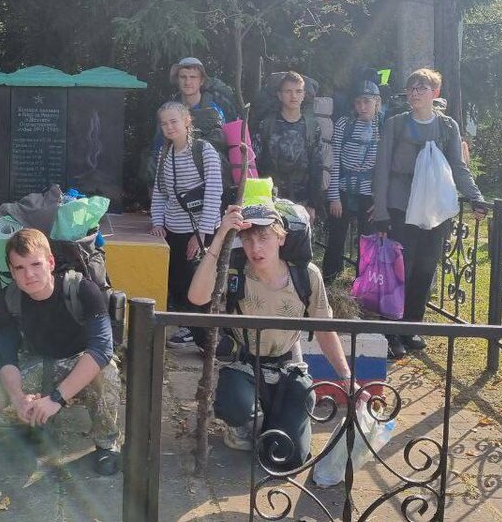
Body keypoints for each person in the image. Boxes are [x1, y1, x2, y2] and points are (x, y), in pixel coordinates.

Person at [188, 204, 357, 470]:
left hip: (286, 366)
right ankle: (243, 423)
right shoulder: (235, 271)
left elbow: (325, 329)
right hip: (244, 365)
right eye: (247, 239)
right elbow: (197, 297)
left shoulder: (305, 275)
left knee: (288, 457)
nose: (255, 248)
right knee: (234, 405)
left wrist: (346, 377)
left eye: (264, 237)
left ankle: (272, 422)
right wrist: (220, 237)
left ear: (281, 238)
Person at [371, 68, 486, 359]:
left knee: (425, 268)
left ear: (435, 93)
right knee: (401, 269)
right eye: (411, 88)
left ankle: (411, 327)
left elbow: (458, 166)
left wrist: (475, 196)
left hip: (435, 208)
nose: (415, 93)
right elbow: (382, 168)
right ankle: (391, 332)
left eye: (421, 88)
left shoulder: (447, 126)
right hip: (401, 206)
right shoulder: (396, 124)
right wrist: (381, 211)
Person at [0, 229, 120, 475]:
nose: (29, 274)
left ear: (50, 262)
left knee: (107, 376)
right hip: (39, 361)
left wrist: (56, 399)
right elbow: (6, 358)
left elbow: (101, 350)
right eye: (19, 268)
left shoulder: (82, 289)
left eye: (36, 264)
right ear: (12, 271)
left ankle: (106, 443)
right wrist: (18, 399)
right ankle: (32, 426)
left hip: (81, 360)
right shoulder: (7, 299)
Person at [149, 101, 223, 349]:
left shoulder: (204, 151)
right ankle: (187, 328)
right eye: (164, 124)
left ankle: (204, 337)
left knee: (199, 282)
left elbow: (214, 192)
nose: (169, 127)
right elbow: (161, 192)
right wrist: (158, 222)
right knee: (179, 281)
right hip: (174, 228)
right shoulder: (165, 154)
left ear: (187, 121)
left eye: (174, 121)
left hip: (202, 229)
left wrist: (201, 234)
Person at [322, 81, 382, 283]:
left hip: (369, 194)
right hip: (343, 190)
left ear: (376, 102)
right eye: (358, 102)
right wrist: (334, 198)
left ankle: (363, 286)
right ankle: (329, 281)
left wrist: (379, 199)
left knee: (367, 242)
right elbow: (334, 160)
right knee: (336, 239)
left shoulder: (383, 127)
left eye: (367, 102)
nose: (362, 107)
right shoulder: (344, 124)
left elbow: (384, 166)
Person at [255, 71, 323, 221]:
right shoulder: (266, 125)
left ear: (304, 95)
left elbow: (316, 166)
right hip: (270, 200)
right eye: (288, 91)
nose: (294, 96)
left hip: (302, 201)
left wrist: (313, 204)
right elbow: (255, 163)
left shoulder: (312, 127)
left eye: (298, 91)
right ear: (279, 95)